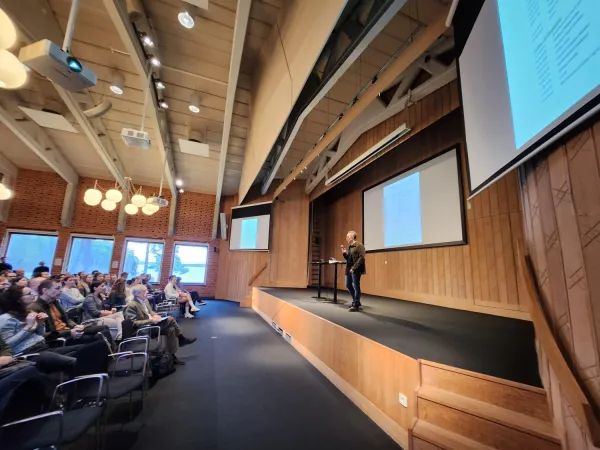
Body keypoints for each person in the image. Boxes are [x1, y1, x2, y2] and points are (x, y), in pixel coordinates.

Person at [0, 286, 109, 376]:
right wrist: (27, 327)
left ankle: (95, 382)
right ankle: (85, 390)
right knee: (77, 361)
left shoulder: (28, 312)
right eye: (29, 293)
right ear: (18, 299)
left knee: (88, 349)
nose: (33, 294)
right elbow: (8, 345)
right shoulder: (6, 318)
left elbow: (39, 335)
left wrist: (40, 324)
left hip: (44, 346)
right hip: (29, 353)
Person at [125, 285, 196, 365]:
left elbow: (150, 312)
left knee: (171, 330)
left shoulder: (145, 301)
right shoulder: (132, 305)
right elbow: (133, 323)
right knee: (171, 319)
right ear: (137, 294)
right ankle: (181, 338)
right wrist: (150, 320)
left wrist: (155, 315)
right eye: (145, 291)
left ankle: (172, 356)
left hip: (152, 325)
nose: (147, 292)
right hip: (144, 329)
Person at [29, 279, 113, 346]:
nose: (61, 291)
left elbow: (67, 319)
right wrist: (70, 332)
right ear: (45, 290)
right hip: (60, 336)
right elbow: (44, 334)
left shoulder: (55, 302)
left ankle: (114, 354)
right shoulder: (35, 308)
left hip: (69, 330)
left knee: (103, 328)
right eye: (57, 288)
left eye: (61, 288)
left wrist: (76, 326)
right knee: (96, 338)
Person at [341, 231, 366, 312]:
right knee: (348, 285)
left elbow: (361, 258)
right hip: (348, 268)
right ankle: (356, 301)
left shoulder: (359, 245)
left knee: (356, 286)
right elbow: (348, 259)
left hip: (355, 269)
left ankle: (355, 304)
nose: (346, 238)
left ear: (352, 237)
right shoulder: (350, 246)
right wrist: (344, 253)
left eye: (347, 237)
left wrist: (354, 268)